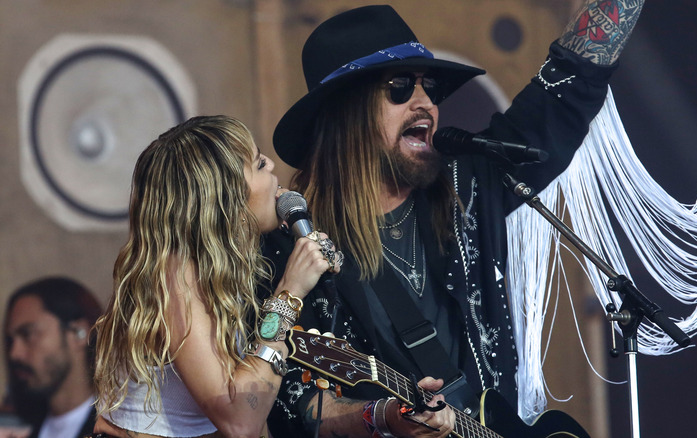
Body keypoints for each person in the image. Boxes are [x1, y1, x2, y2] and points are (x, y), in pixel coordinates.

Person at [264, 2, 647, 437]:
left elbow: (566, 90)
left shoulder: (467, 188)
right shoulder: (295, 245)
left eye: (431, 87)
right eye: (401, 86)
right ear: (345, 112)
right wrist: (380, 417)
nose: (426, 102)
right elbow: (294, 403)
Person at [91, 115, 340, 437]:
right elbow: (240, 421)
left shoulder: (224, 270)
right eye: (259, 164)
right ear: (227, 198)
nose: (272, 166)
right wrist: (288, 294)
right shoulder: (177, 276)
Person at [3, 276, 103, 438]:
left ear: (79, 333)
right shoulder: (15, 426)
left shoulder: (117, 427)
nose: (15, 354)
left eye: (28, 334)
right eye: (10, 341)